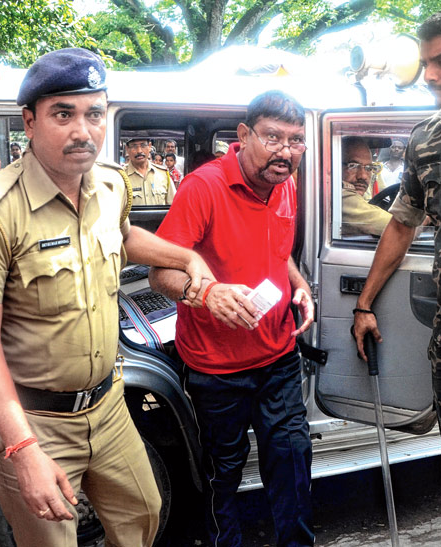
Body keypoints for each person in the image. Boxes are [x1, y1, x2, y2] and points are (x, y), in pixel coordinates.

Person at [0, 48, 214, 547]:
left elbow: (124, 236)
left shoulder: (110, 184)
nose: (82, 130)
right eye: (63, 114)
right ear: (29, 121)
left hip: (109, 407)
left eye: (94, 114)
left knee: (144, 514)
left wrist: (185, 257)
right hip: (37, 420)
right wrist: (22, 449)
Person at [352, 9, 441, 546]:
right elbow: (402, 223)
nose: (430, 74)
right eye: (426, 62)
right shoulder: (426, 139)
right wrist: (364, 303)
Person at [149, 90, 315, 547]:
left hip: (279, 356)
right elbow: (160, 273)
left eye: (296, 141)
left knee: (293, 458)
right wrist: (205, 293)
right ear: (244, 135)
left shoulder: (286, 183)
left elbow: (279, 251)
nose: (285, 151)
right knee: (222, 471)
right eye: (273, 137)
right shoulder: (203, 187)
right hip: (216, 368)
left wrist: (299, 284)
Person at [341, 137, 392, 237]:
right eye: (353, 166)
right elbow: (399, 228)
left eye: (369, 168)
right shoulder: (340, 196)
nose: (363, 176)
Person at [125, 136, 176, 205]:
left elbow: (174, 205)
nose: (139, 151)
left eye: (143, 145)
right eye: (134, 146)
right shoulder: (121, 176)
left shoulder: (163, 174)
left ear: (149, 146)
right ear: (127, 149)